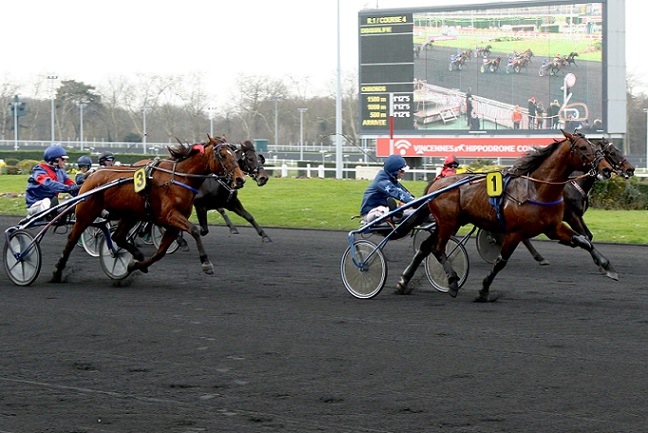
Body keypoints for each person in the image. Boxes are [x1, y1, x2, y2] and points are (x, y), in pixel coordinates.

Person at [25, 145, 80, 216]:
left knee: (71, 203)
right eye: (63, 159)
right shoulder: (39, 170)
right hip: (36, 205)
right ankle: (52, 214)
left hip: (51, 204)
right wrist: (67, 188)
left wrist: (82, 191)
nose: (65, 161)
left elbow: (71, 185)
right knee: (46, 201)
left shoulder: (61, 172)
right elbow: (48, 183)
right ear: (55, 160)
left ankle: (54, 213)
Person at [359, 155, 415, 224]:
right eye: (402, 171)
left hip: (388, 211)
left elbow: (404, 192)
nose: (404, 173)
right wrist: (412, 201)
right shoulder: (381, 182)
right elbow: (396, 192)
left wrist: (416, 200)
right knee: (382, 210)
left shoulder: (392, 179)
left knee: (417, 213)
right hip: (370, 213)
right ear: (394, 171)